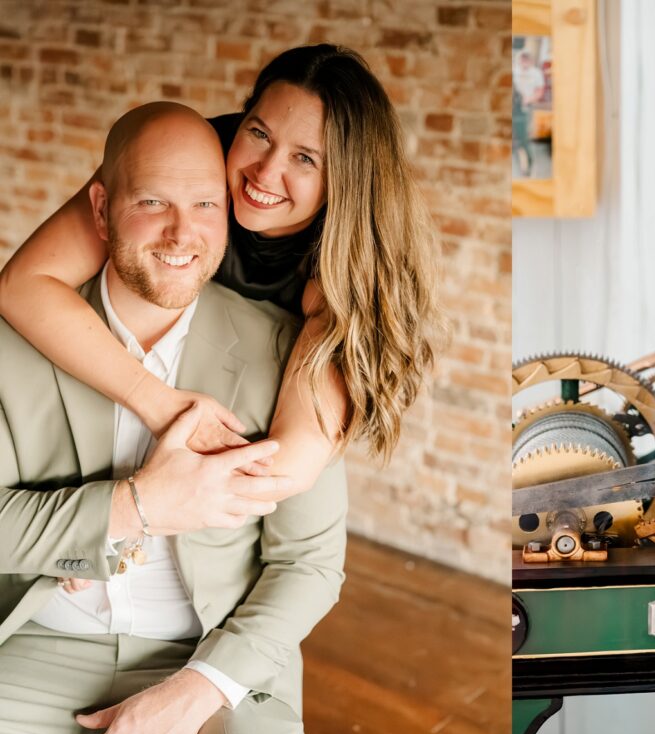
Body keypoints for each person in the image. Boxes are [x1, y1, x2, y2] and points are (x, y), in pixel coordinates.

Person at [0, 102, 347, 734]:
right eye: (153, 201)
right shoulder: (15, 339)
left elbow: (309, 562)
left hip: (211, 668)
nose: (182, 232)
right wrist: (134, 507)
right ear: (101, 209)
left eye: (205, 205)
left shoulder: (290, 353)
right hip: (35, 646)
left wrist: (200, 687)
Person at [0, 45, 442, 518]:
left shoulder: (341, 267)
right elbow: (22, 284)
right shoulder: (183, 160)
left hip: (243, 396)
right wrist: (159, 408)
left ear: (345, 180)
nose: (266, 172)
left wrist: (153, 504)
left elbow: (289, 464)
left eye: (305, 158)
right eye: (259, 133)